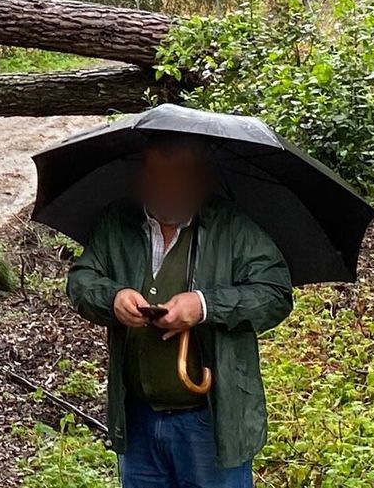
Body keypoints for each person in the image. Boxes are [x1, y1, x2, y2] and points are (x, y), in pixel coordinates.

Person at [66, 134, 294, 488]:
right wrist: (113, 298)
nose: (168, 187)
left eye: (180, 177)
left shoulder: (232, 226)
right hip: (138, 420)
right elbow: (82, 280)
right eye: (159, 176)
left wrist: (204, 306)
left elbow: (275, 294)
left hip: (212, 421)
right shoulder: (117, 222)